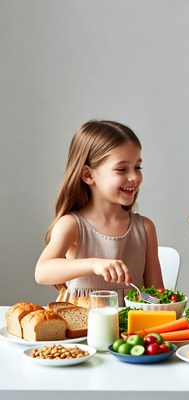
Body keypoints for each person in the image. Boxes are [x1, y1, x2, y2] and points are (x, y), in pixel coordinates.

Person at [35, 120, 164, 306]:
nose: (134, 177)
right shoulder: (72, 224)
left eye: (138, 167)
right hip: (81, 329)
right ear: (88, 175)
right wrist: (94, 264)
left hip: (132, 332)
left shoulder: (145, 228)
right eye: (121, 169)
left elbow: (157, 294)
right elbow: (42, 272)